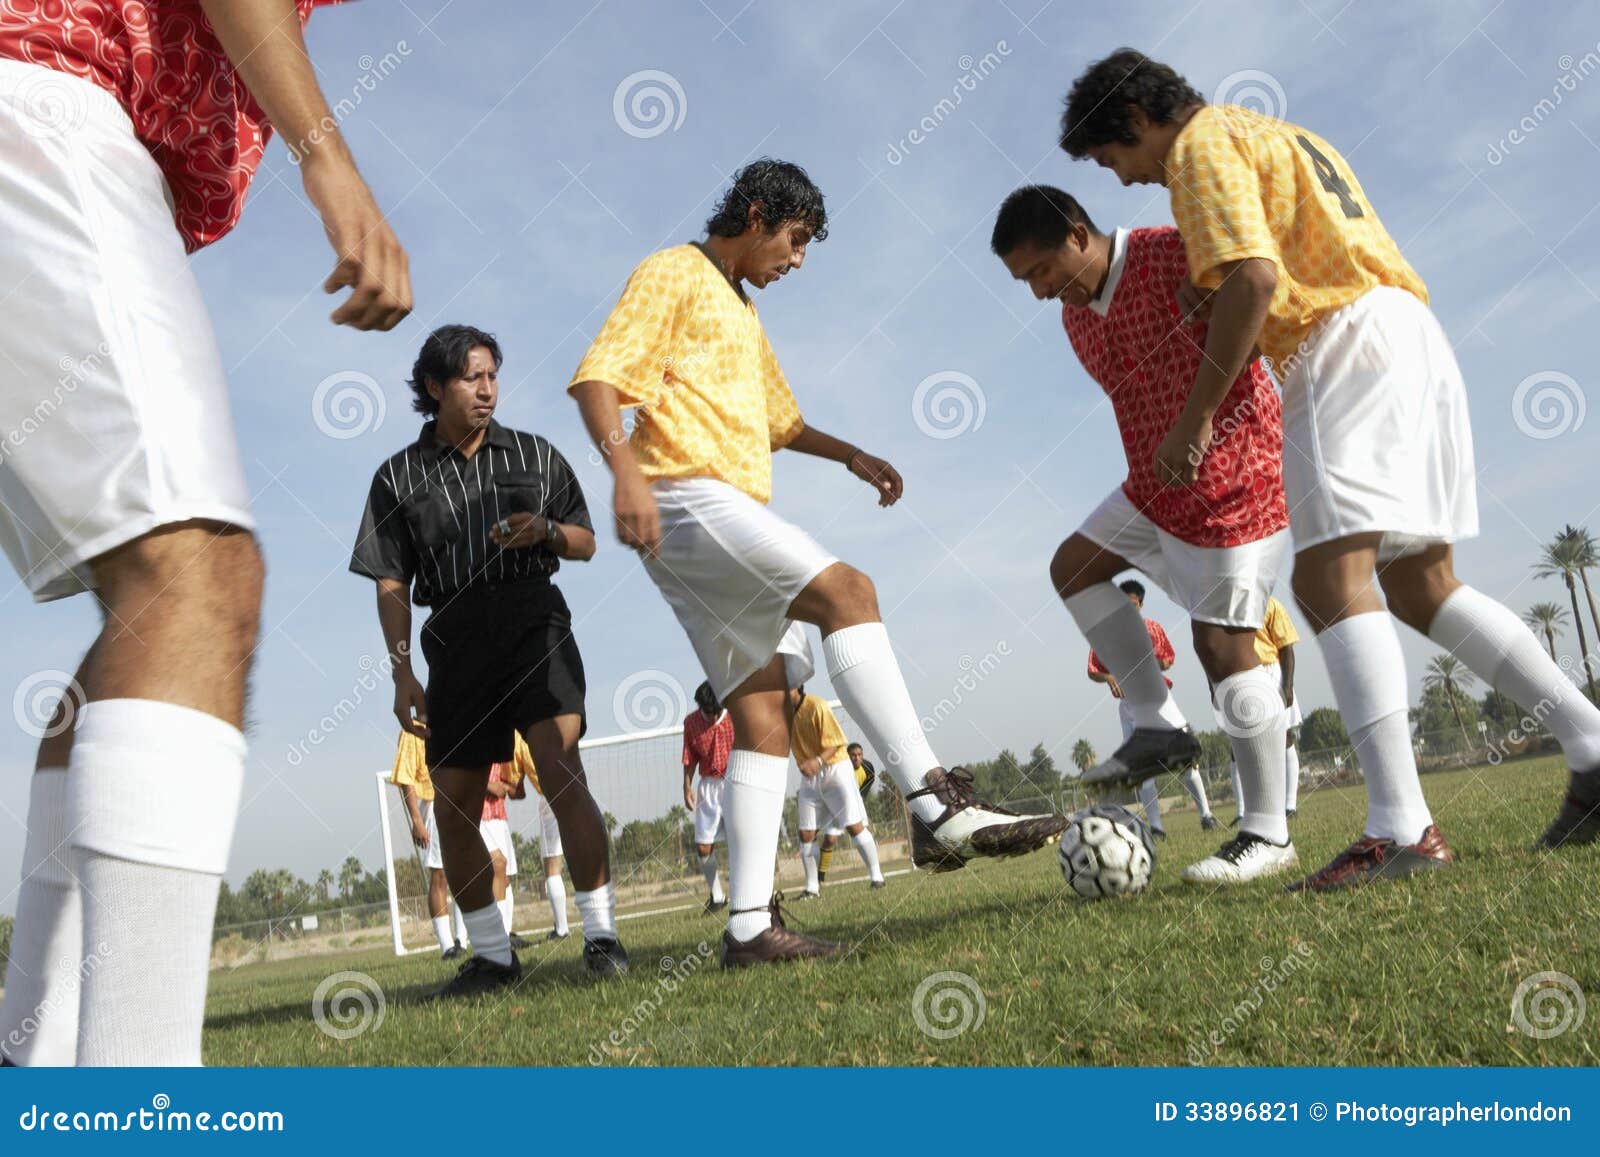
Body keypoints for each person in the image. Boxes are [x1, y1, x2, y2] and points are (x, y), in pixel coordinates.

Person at [1059, 50, 1600, 885]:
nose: (1124, 178)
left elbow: (1255, 278)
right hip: (1406, 328)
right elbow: (1264, 260)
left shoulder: (1198, 146)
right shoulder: (1272, 131)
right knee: (1423, 583)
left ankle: (1400, 826)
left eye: (1113, 157)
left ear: (1133, 121)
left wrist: (1197, 417)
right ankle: (1591, 746)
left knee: (1326, 581)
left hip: (1340, 345)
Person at [0, 0, 410, 1066]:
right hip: (39, 100)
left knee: (136, 612)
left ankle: (31, 1054)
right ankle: (137, 1097)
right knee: (198, 572)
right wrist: (331, 160)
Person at [570, 159, 1068, 967]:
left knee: (764, 720)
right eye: (795, 239)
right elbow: (599, 380)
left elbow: (781, 421)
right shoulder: (675, 271)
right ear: (759, 213)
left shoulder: (744, 308)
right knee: (849, 590)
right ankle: (931, 801)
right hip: (687, 495)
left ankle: (748, 930)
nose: (797, 258)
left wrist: (852, 455)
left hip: (712, 517)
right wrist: (625, 471)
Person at [993, 186, 1292, 883]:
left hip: (1235, 471)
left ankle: (1269, 833)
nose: (1038, 292)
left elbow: (1258, 281)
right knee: (1073, 566)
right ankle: (1158, 721)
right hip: (1154, 487)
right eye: (1023, 282)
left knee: (1221, 644)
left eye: (1038, 270)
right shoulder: (1076, 320)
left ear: (1075, 234)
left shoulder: (1169, 254)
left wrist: (1197, 419)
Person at [351, 324, 627, 996]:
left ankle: (601, 936)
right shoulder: (397, 476)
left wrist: (547, 531)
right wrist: (399, 672)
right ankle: (493, 956)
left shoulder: (535, 455)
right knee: (452, 805)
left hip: (535, 619)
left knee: (560, 770)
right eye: (472, 376)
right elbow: (391, 582)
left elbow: (587, 541)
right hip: (454, 638)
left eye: (492, 375)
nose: (486, 388)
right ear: (433, 387)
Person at [1083, 581, 1217, 838]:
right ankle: (1156, 827)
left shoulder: (1153, 629)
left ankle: (1206, 815)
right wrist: (1109, 678)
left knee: (1186, 761)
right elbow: (1093, 671)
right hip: (1130, 708)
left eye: (1132, 605)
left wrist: (1160, 664)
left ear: (1140, 605)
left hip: (1159, 701)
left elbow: (1168, 658)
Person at [788, 689, 886, 897]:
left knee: (853, 826)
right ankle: (812, 888)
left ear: (796, 685)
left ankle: (877, 877)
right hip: (810, 777)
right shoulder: (781, 712)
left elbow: (836, 742)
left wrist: (818, 761)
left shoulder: (817, 706)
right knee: (806, 832)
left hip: (835, 768)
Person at [392, 731, 468, 959]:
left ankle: (462, 939)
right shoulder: (411, 731)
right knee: (440, 875)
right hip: (432, 803)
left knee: (464, 874)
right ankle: (447, 945)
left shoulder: (452, 721)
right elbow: (406, 777)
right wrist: (416, 819)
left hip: (458, 800)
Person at [1226, 598, 1303, 823]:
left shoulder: (1271, 604)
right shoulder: (1223, 604)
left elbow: (1286, 647)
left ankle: (1290, 805)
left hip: (1271, 671)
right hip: (1240, 675)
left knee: (1285, 737)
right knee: (1237, 745)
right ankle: (1242, 811)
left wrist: (1287, 686)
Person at [682, 680, 734, 912]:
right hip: (709, 788)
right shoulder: (691, 723)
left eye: (717, 712)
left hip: (736, 783)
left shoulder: (735, 717)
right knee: (703, 846)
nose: (713, 718)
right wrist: (687, 787)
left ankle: (749, 892)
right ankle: (717, 897)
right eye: (708, 712)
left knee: (741, 841)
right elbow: (689, 758)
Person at [818, 743, 879, 882]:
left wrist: (859, 798)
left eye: (859, 755)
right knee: (830, 839)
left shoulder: (868, 768)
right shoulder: (840, 768)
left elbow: (869, 780)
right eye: (853, 755)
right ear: (847, 756)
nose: (857, 758)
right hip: (837, 804)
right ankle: (820, 876)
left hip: (855, 803)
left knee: (863, 833)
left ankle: (875, 873)